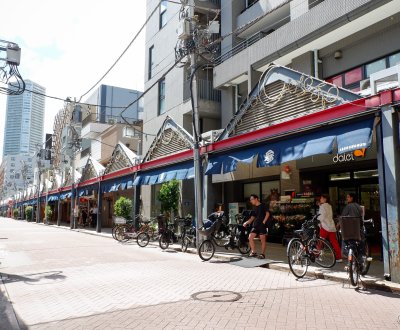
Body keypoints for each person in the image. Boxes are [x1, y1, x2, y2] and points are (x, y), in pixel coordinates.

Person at [243, 194, 270, 259]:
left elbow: (267, 213)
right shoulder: (254, 208)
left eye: (251, 199)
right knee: (250, 237)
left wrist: (264, 221)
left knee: (262, 240)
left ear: (256, 199)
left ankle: (262, 254)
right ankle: (254, 252)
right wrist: (247, 222)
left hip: (262, 225)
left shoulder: (263, 205)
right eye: (250, 200)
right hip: (255, 225)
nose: (250, 201)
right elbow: (252, 217)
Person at [318, 194, 342, 262]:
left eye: (322, 198)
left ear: (325, 199)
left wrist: (317, 221)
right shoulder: (329, 206)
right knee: (334, 242)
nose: (320, 199)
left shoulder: (322, 206)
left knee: (320, 241)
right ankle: (339, 257)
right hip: (331, 226)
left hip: (325, 226)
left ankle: (316, 255)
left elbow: (321, 217)